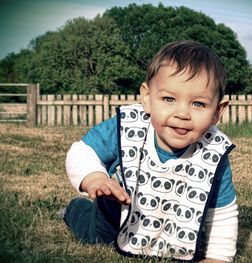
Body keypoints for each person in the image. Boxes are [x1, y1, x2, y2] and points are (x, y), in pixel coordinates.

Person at [64, 40, 238, 263]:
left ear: (218, 111)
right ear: (147, 98)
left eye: (198, 104)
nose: (182, 113)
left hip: (170, 230)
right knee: (92, 235)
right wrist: (94, 177)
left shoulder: (213, 153)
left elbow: (222, 211)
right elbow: (82, 151)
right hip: (113, 217)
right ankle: (73, 209)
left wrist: (218, 257)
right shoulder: (128, 127)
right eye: (169, 99)